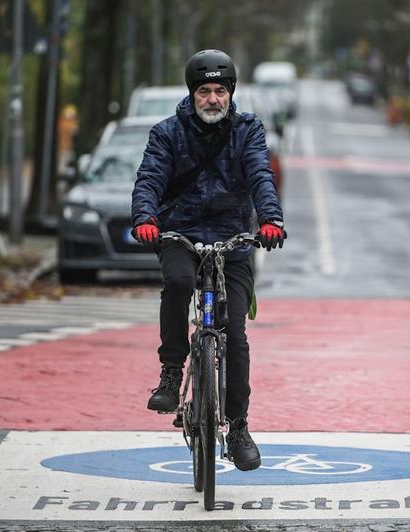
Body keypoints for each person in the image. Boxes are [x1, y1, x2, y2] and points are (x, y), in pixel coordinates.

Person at [131, 49, 285, 472]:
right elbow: (150, 178)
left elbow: (259, 175)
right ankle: (170, 373)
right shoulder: (166, 133)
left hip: (233, 239)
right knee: (178, 285)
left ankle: (238, 427)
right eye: (204, 91)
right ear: (192, 94)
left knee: (234, 336)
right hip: (180, 233)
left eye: (220, 90)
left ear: (230, 94)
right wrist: (146, 217)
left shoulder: (249, 129)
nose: (212, 98)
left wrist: (270, 218)